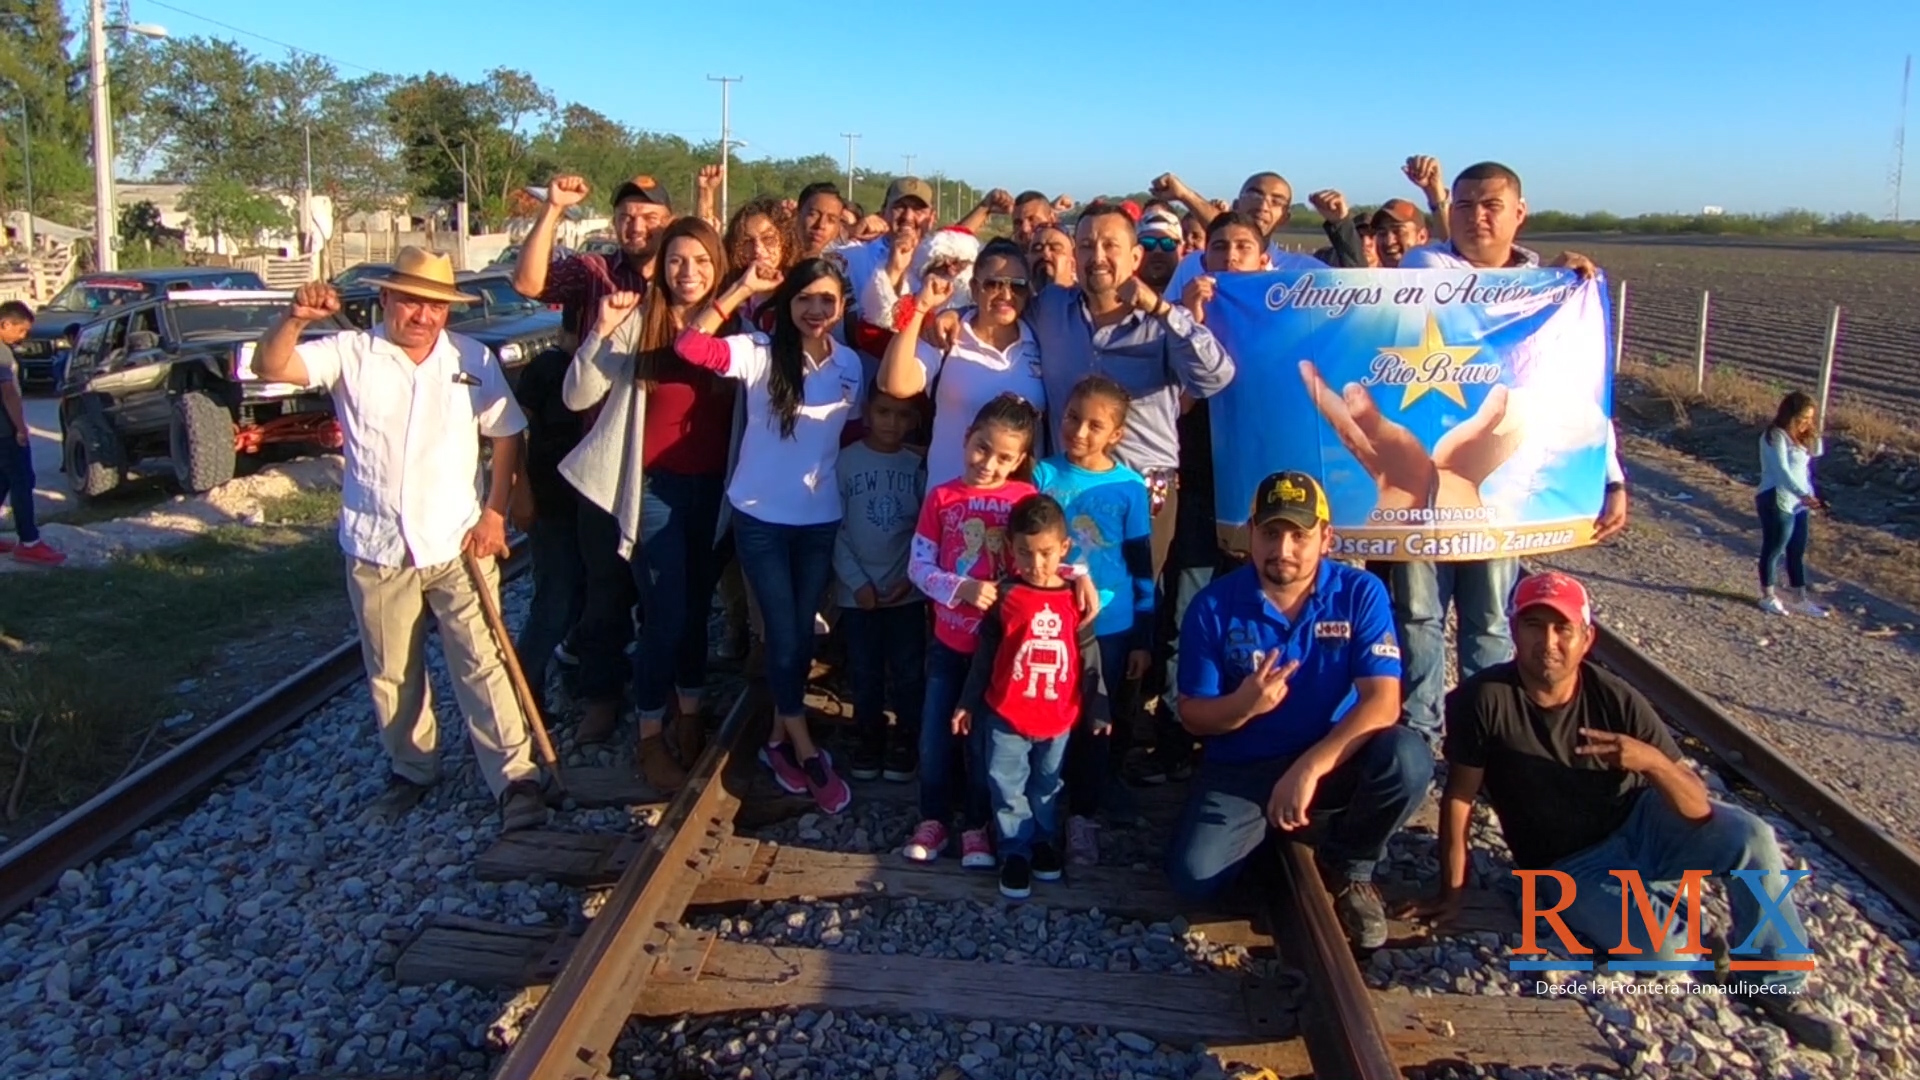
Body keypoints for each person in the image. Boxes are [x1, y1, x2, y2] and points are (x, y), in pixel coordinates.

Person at [1426, 571, 1848, 1056]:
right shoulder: (1483, 700)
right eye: (1534, 626)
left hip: (1644, 824)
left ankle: (1776, 984)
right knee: (1661, 951)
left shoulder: (1614, 697)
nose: (1549, 642)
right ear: (1514, 631)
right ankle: (1691, 936)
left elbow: (1696, 809)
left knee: (1751, 836)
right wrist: (1452, 891)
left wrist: (1647, 760)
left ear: (1586, 638)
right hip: (1567, 862)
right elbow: (1459, 797)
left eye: (1563, 629)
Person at [251, 249, 546, 830]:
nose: (423, 314)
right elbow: (271, 367)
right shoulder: (350, 353)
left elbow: (507, 434)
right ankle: (412, 768)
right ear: (386, 299)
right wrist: (294, 319)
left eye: (435, 304)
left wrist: (495, 513)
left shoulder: (472, 358)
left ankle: (515, 778)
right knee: (392, 668)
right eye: (411, 300)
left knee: (483, 662)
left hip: (458, 540)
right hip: (377, 543)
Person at [1368, 160, 1626, 747]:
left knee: (1489, 621)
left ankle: (1486, 740)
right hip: (1422, 487)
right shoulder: (1426, 267)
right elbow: (1464, 286)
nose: (1477, 218)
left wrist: (1610, 475)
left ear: (1519, 213)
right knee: (1418, 615)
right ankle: (1420, 734)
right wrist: (1543, 281)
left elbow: (1579, 391)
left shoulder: (1555, 299)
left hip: (1505, 489)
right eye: (1463, 206)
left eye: (1491, 205)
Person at [1166, 471, 1430, 949]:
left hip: (1333, 760)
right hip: (1244, 765)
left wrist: (1310, 767)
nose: (1283, 549)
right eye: (1270, 532)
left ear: (1326, 538)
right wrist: (1242, 706)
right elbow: (1193, 715)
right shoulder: (1213, 605)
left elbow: (1383, 700)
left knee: (1408, 758)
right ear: (1251, 534)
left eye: (1299, 535)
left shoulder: (1358, 593)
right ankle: (1270, 839)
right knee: (1193, 879)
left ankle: (1352, 864)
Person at [674, 258, 864, 813]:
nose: (815, 310)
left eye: (827, 300)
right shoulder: (757, 351)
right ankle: (804, 747)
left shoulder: (850, 364)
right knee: (782, 629)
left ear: (842, 306)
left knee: (802, 633)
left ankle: (777, 740)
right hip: (759, 515)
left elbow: (844, 434)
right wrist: (740, 289)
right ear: (787, 303)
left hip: (820, 517)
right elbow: (691, 347)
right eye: (805, 298)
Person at [562, 217, 733, 790]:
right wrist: (600, 333)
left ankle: (690, 716)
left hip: (713, 489)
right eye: (678, 260)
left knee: (693, 610)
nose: (690, 273)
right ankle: (650, 734)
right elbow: (577, 394)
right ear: (662, 265)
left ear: (719, 266)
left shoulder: (733, 328)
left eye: (702, 261)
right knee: (664, 614)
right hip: (654, 489)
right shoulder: (640, 321)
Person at [904, 394, 1045, 868]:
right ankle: (934, 818)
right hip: (949, 644)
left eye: (1004, 457)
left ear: (1020, 460)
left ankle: (978, 827)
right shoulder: (941, 498)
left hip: (1002, 651)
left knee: (989, 743)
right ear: (966, 440)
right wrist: (960, 587)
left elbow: (1043, 559)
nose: (988, 463)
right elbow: (918, 567)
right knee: (936, 736)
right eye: (982, 448)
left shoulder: (1025, 499)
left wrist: (1079, 575)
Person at [955, 493, 1110, 898]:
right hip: (1006, 713)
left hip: (1057, 718)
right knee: (1006, 783)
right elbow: (985, 655)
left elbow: (1090, 659)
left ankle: (1043, 841)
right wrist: (967, 702)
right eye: (1025, 553)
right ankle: (1014, 851)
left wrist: (1099, 707)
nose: (1036, 564)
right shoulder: (1005, 595)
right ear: (1011, 549)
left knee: (1047, 783)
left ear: (1064, 549)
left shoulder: (1076, 600)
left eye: (1044, 553)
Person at [1031, 376, 1152, 865]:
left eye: (1094, 425)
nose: (1079, 431)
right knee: (1048, 716)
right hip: (1049, 622)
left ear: (1116, 434)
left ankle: (1084, 813)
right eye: (1071, 418)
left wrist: (1143, 634)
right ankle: (1040, 804)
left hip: (1111, 625)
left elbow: (1141, 563)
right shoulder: (1041, 475)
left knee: (1097, 720)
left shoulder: (1129, 486)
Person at [878, 238, 1047, 488]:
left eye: (1018, 286)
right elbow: (895, 384)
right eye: (993, 284)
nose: (1006, 295)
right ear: (974, 287)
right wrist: (920, 308)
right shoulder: (947, 336)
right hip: (950, 504)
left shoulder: (1039, 340)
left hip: (1018, 509)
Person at [835, 390, 929, 782]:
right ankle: (868, 734)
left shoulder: (917, 466)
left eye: (903, 415)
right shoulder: (845, 461)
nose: (892, 422)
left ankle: (907, 735)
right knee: (864, 669)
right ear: (866, 412)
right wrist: (856, 582)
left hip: (906, 591)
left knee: (909, 669)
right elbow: (834, 528)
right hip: (859, 594)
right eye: (883, 412)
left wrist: (911, 578)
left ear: (914, 421)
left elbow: (926, 530)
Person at [509, 340, 586, 720]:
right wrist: (517, 487)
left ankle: (574, 669)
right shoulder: (546, 367)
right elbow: (512, 432)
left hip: (592, 500)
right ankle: (525, 697)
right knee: (556, 597)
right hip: (552, 499)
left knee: (585, 594)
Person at [512, 174, 674, 337]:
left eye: (650, 218)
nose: (637, 227)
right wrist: (553, 207)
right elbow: (526, 285)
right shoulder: (591, 269)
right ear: (614, 223)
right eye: (626, 218)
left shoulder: (684, 276)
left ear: (670, 223)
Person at [0, 301, 63, 566]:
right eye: (21, 330)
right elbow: (8, 392)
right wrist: (21, 428)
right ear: (6, 324)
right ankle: (29, 542)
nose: (23, 337)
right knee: (22, 481)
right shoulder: (1, 353)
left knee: (2, 479)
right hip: (4, 428)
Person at [1756, 391, 1828, 617]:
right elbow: (1781, 471)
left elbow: (1816, 453)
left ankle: (1800, 598)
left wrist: (1813, 432)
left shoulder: (1799, 437)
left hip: (1799, 502)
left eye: (1810, 418)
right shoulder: (1774, 436)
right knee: (1774, 548)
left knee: (1796, 550)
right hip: (1776, 497)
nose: (1806, 422)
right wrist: (1801, 493)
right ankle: (1768, 596)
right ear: (1790, 414)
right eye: (1803, 418)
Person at [1135, 208, 1184, 292]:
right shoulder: (1117, 298)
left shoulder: (1194, 295)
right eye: (1148, 243)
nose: (1158, 250)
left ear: (1182, 248)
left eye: (1167, 243)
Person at [1026, 225, 1076, 291]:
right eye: (1037, 249)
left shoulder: (1089, 299)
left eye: (1055, 248)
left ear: (1072, 265)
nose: (1045, 253)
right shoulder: (1016, 299)